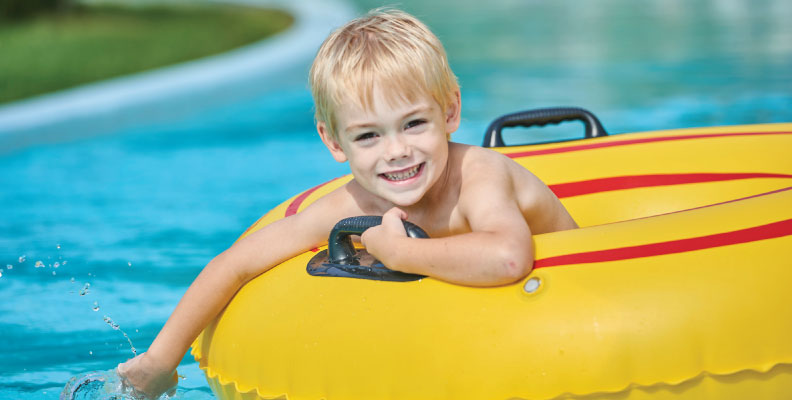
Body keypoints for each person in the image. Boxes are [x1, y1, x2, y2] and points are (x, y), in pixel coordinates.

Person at [116, 8, 577, 398]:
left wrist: (399, 253)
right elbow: (236, 264)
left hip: (570, 315)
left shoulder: (480, 175)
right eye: (369, 135)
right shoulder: (357, 202)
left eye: (414, 123)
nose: (396, 150)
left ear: (451, 111)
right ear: (334, 142)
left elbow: (509, 257)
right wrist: (160, 361)